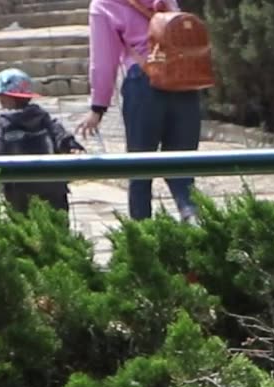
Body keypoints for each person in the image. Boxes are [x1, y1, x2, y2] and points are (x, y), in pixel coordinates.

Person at [77, 0, 203, 224]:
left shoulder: (104, 4)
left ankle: (143, 239)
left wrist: (98, 107)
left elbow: (103, 61)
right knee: (183, 167)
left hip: (144, 82)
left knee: (140, 168)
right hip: (184, 80)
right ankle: (194, 223)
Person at [0, 68, 85, 215]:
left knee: (23, 229)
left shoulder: (2, 125)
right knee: (56, 226)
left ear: (7, 97)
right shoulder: (44, 119)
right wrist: (71, 146)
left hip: (18, 189)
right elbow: (61, 136)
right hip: (52, 186)